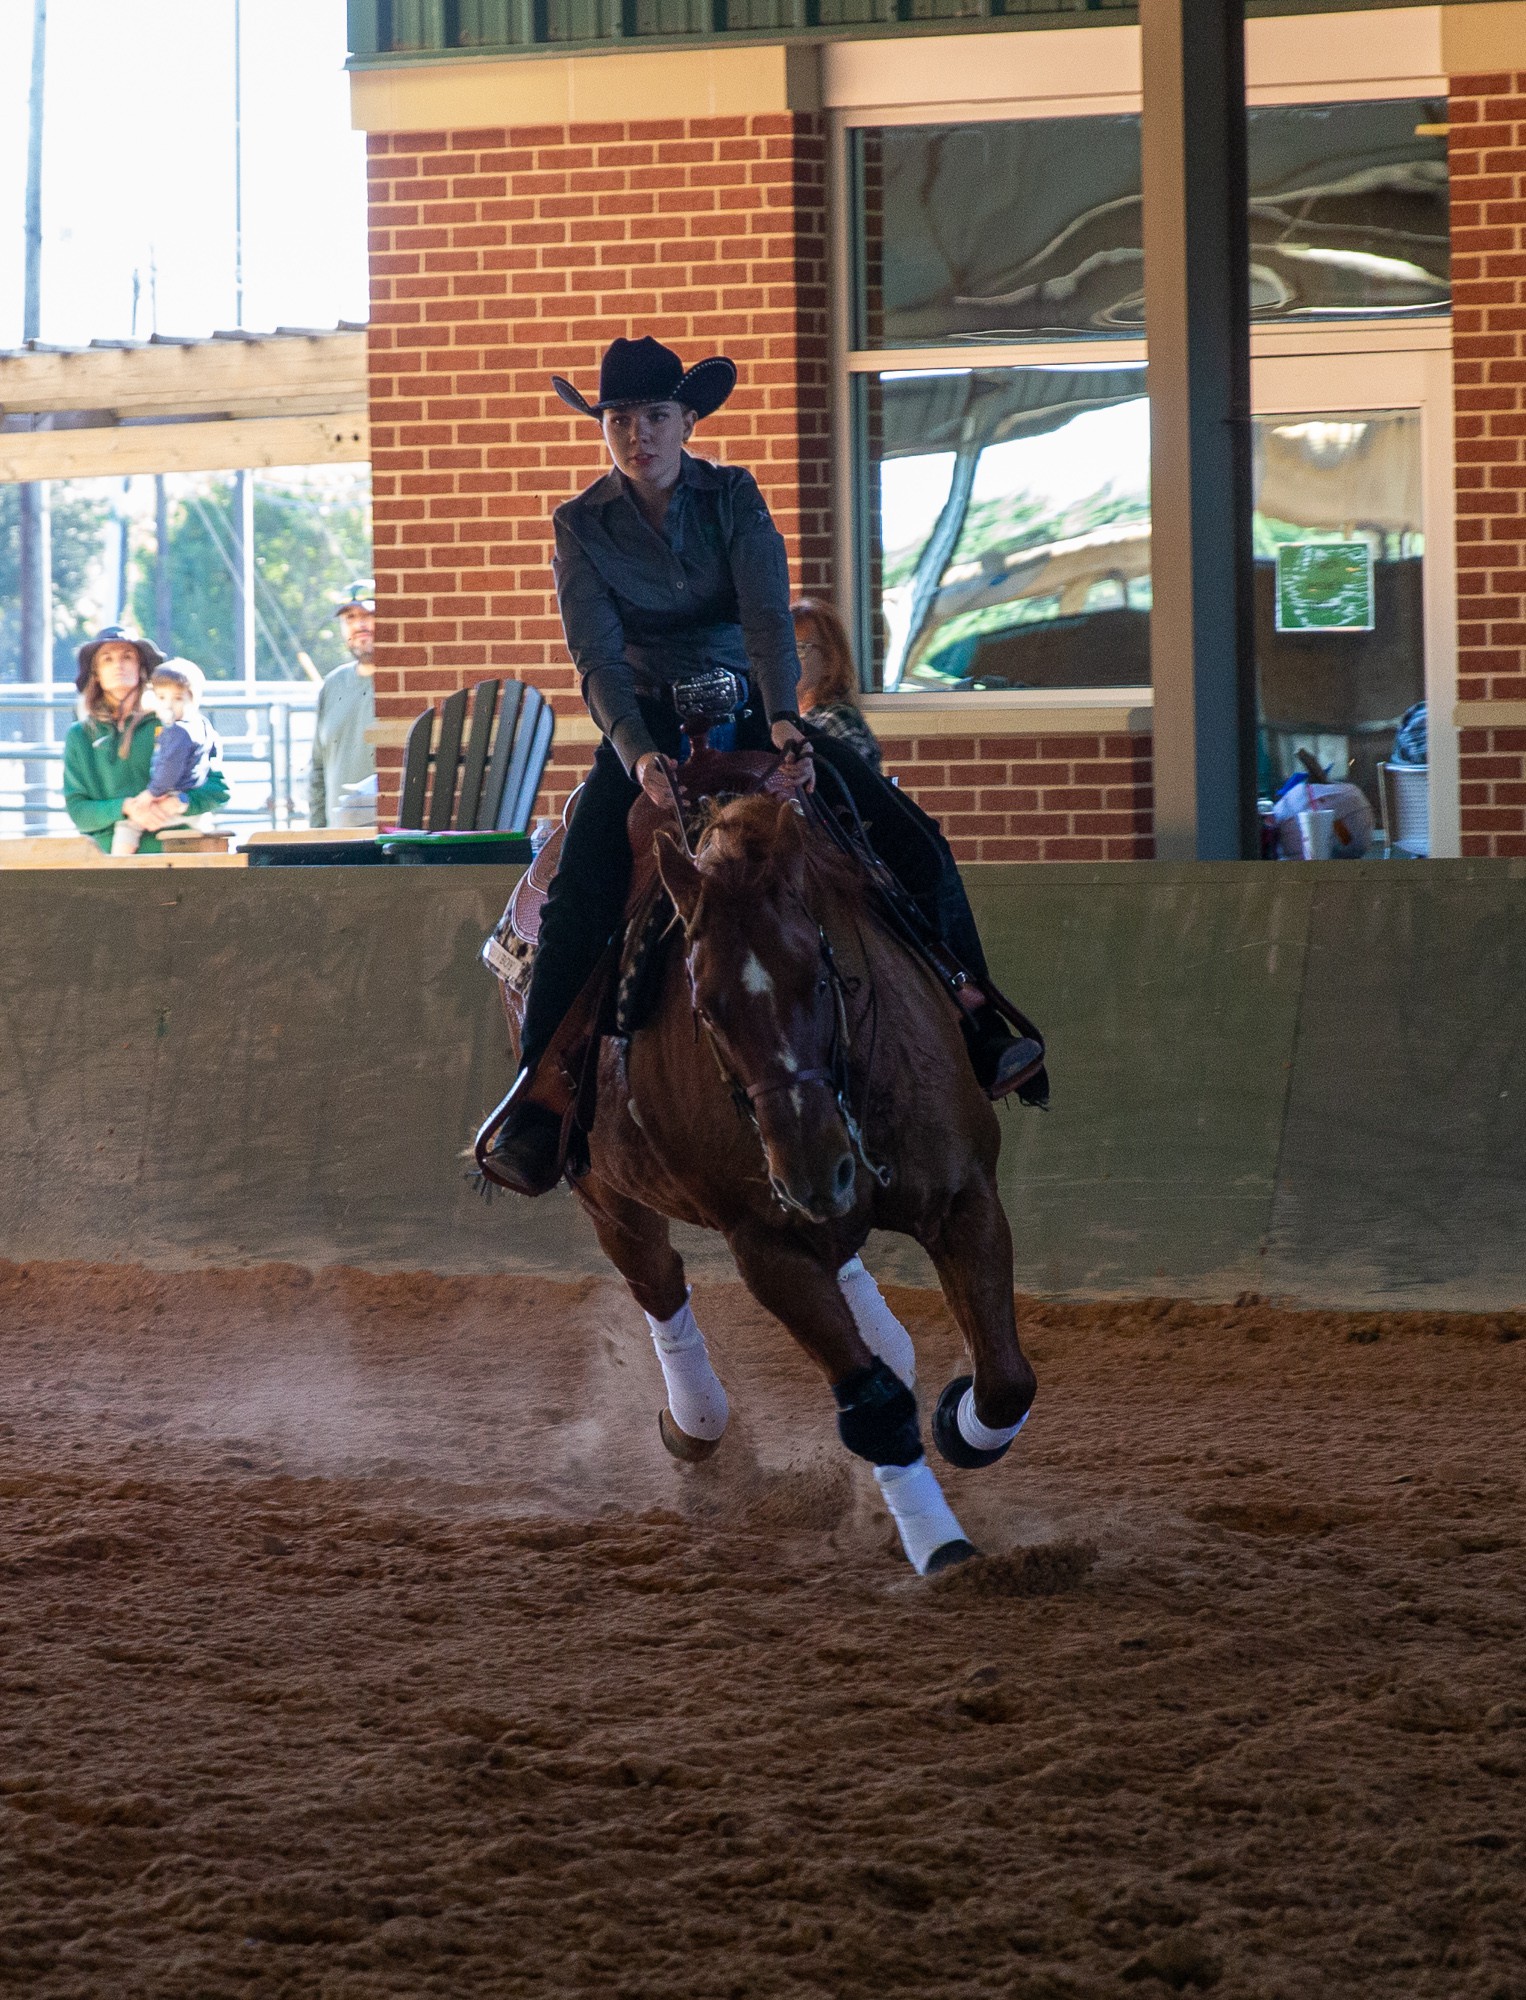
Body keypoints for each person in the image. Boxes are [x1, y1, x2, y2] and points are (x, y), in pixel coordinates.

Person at [485, 336, 1041, 1196]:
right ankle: (543, 1095)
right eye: (621, 420)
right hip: (644, 728)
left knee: (906, 835)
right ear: (605, 429)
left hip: (753, 706)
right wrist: (636, 758)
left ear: (688, 421)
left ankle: (974, 1014)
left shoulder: (733, 495)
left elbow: (767, 618)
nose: (640, 436)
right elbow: (595, 661)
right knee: (583, 887)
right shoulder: (579, 526)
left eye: (657, 417)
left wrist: (785, 719)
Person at [63, 627, 230, 855]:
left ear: (142, 667)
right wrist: (126, 808)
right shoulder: (80, 736)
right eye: (107, 659)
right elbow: (78, 810)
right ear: (96, 673)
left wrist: (181, 802)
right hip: (111, 861)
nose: (118, 665)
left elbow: (219, 790)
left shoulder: (180, 725)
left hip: (178, 852)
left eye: (127, 656)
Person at [110, 658, 221, 855]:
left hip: (169, 793)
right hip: (193, 799)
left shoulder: (177, 730)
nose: (168, 705)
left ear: (193, 699)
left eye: (178, 698)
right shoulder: (203, 725)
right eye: (162, 698)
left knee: (127, 826)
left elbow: (169, 768)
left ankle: (117, 866)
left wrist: (150, 794)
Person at [309, 581, 378, 828]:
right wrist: (316, 837)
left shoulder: (401, 685)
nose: (359, 625)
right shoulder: (332, 685)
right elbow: (317, 771)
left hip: (388, 841)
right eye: (350, 618)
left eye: (368, 615)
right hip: (338, 841)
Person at [792, 596, 882, 773]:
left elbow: (857, 788)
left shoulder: (835, 719)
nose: (787, 660)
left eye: (799, 649)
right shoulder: (784, 720)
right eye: (783, 649)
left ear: (829, 661)